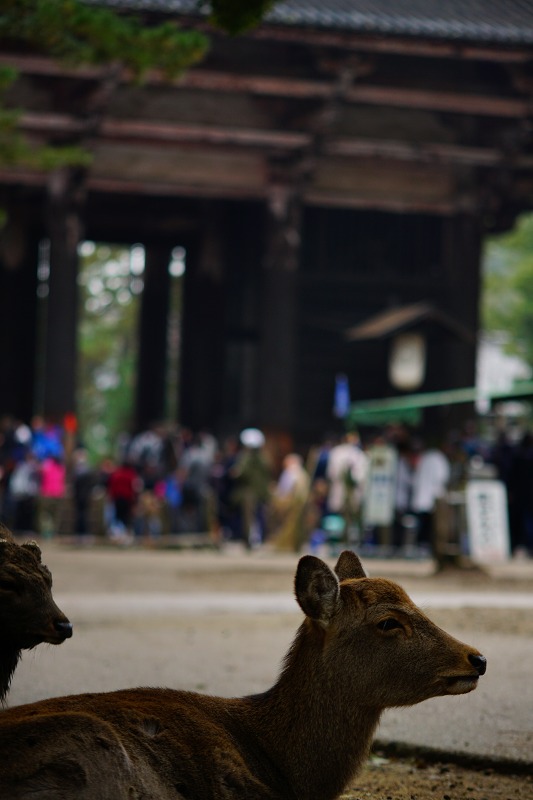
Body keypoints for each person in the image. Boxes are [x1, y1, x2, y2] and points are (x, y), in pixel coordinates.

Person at [231, 429, 271, 548]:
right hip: (262, 492)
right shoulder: (264, 458)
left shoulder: (246, 457)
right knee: (260, 517)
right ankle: (261, 539)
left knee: (249, 518)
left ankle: (249, 541)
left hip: (249, 493)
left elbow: (239, 472)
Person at [411, 441, 450, 555]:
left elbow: (416, 477)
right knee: (431, 527)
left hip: (421, 497)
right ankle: (428, 548)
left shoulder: (424, 457)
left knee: (422, 526)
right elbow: (443, 477)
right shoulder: (440, 459)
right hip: (434, 498)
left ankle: (421, 547)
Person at [270, 453, 310, 552]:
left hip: (291, 503)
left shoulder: (290, 472)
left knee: (288, 525)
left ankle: (283, 544)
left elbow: (285, 489)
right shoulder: (302, 472)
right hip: (300, 503)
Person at [326, 431, 368, 521]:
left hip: (352, 493)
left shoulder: (358, 454)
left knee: (349, 519)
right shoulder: (338, 452)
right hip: (342, 492)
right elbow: (332, 474)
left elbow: (361, 477)